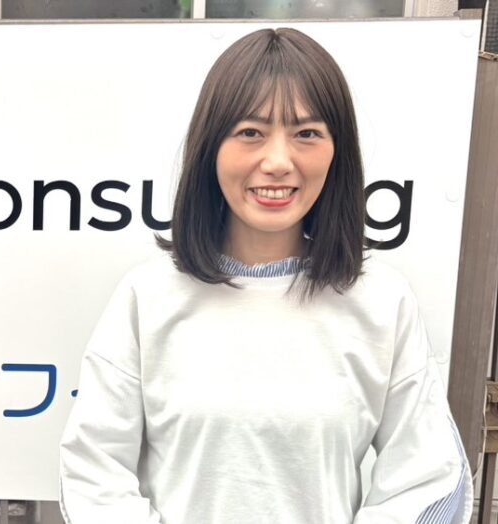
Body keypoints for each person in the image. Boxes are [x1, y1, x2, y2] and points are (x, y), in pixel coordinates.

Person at [58, 28, 472, 523]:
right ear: (211, 147)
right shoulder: (147, 296)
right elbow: (93, 472)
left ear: (337, 151)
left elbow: (429, 479)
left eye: (307, 134)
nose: (277, 162)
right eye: (250, 132)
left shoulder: (382, 302)